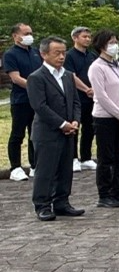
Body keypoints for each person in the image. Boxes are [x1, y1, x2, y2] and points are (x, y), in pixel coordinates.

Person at [26, 35, 83, 221]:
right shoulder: (37, 77)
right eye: (56, 53)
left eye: (63, 53)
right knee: (46, 170)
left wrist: (74, 121)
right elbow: (40, 106)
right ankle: (42, 205)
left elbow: (75, 101)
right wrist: (61, 124)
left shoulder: (67, 75)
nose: (61, 57)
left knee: (65, 168)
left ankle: (62, 202)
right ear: (44, 54)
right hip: (47, 132)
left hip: (69, 131)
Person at [88, 30, 119, 208]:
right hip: (106, 118)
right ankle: (104, 194)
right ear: (102, 45)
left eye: (116, 42)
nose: (115, 45)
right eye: (111, 42)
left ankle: (117, 191)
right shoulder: (96, 67)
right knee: (106, 157)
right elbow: (101, 96)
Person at [5, 23, 41, 181]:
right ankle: (16, 167)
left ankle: (35, 165)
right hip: (21, 100)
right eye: (26, 33)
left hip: (37, 100)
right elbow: (15, 77)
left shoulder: (35, 52)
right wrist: (34, 86)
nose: (29, 36)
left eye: (31, 33)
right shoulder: (10, 54)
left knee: (35, 133)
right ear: (15, 36)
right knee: (17, 134)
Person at [64, 26, 98, 172]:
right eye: (84, 36)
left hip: (93, 98)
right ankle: (73, 158)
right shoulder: (69, 56)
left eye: (89, 37)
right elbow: (71, 75)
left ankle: (86, 157)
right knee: (75, 128)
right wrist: (86, 89)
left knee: (90, 128)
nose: (88, 39)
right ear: (75, 38)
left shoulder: (92, 56)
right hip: (76, 97)